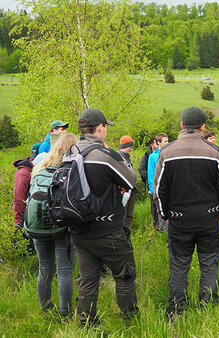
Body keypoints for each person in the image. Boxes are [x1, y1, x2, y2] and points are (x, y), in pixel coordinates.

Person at [154, 106, 219, 316]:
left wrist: (165, 216)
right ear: (203, 126)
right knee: (209, 265)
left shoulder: (166, 153)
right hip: (209, 220)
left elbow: (159, 191)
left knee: (179, 266)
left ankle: (177, 310)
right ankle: (208, 310)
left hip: (179, 221)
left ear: (181, 125)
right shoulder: (214, 152)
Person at [70, 108, 138, 327]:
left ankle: (87, 324)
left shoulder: (68, 153)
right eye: (105, 126)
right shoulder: (104, 155)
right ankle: (130, 320)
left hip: (80, 230)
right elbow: (131, 181)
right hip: (108, 230)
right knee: (124, 274)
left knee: (87, 281)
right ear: (100, 128)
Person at [30, 133, 78, 317]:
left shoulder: (40, 168)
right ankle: (65, 312)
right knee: (64, 270)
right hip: (61, 226)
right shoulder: (69, 171)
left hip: (38, 225)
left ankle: (45, 310)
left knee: (44, 269)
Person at [12, 146, 37, 255]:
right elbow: (19, 198)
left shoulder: (30, 171)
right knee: (26, 248)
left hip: (30, 214)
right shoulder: (24, 174)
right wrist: (18, 221)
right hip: (24, 215)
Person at [148, 133, 169, 232]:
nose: (167, 143)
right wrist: (153, 190)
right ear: (158, 143)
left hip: (169, 188)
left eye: (167, 141)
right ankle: (163, 232)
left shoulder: (170, 154)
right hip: (158, 188)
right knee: (160, 211)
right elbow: (151, 174)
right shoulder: (153, 157)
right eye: (165, 141)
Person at [118, 135, 136, 230]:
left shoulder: (127, 158)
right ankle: (122, 233)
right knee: (123, 214)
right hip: (123, 192)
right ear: (124, 146)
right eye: (130, 147)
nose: (131, 149)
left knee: (130, 214)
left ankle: (128, 231)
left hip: (131, 190)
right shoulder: (119, 158)